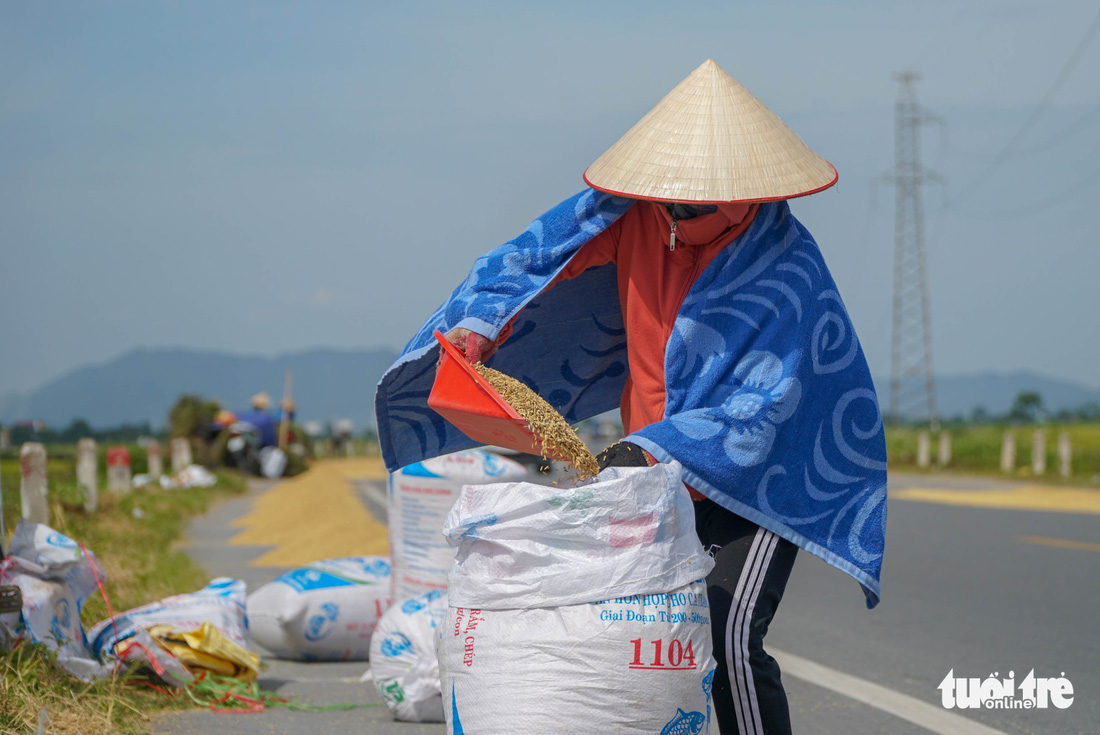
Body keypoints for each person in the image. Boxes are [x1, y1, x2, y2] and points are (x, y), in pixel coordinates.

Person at [376, 59, 887, 735]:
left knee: (730, 632)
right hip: (654, 473)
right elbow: (531, 257)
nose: (678, 210)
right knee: (636, 632)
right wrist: (478, 325)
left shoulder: (788, 266)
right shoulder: (632, 215)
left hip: (760, 483)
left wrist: (647, 448)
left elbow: (769, 408)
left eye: (697, 201)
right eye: (670, 196)